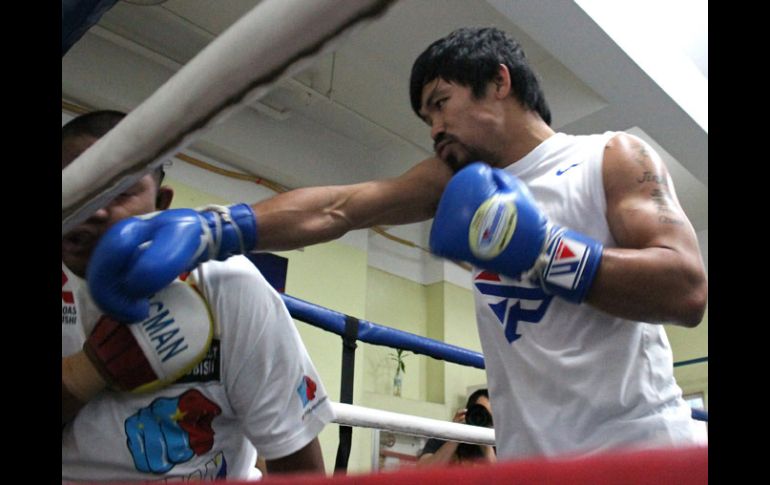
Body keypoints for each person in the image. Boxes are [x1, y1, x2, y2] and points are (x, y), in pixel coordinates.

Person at [82, 27, 708, 460]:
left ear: (498, 81)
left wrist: (544, 253)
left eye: (441, 104)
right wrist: (219, 228)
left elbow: (686, 289)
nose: (434, 129)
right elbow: (340, 207)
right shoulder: (452, 182)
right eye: (425, 119)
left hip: (643, 446)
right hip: (535, 460)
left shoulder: (608, 156)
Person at [61, 110, 334, 482]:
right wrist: (87, 370)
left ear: (161, 204)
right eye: (75, 188)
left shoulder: (225, 285)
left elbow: (297, 466)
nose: (96, 209)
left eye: (120, 191)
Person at [417, 389, 496, 467]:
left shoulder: (499, 443)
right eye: (481, 413)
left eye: (489, 417)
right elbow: (424, 471)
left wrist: (486, 444)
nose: (483, 419)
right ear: (469, 411)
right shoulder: (442, 435)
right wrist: (455, 435)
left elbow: (503, 478)